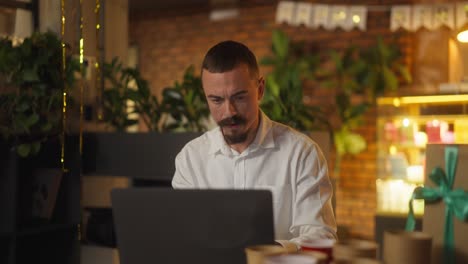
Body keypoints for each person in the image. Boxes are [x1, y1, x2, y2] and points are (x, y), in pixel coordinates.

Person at [172, 40, 337, 249]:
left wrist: (264, 253)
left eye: (239, 97)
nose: (229, 111)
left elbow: (321, 238)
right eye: (216, 100)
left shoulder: (302, 153)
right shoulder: (190, 159)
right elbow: (184, 235)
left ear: (259, 89)